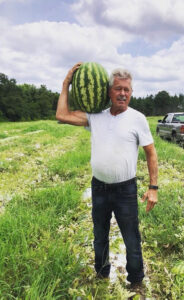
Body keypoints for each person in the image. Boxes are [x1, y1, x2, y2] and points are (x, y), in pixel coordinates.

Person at [56, 62, 158, 288]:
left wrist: (153, 188)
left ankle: (136, 281)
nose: (123, 94)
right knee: (99, 235)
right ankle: (101, 275)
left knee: (132, 239)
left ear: (131, 93)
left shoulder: (137, 118)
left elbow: (151, 153)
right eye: (118, 88)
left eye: (127, 90)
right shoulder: (95, 116)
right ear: (109, 91)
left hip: (126, 190)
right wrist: (66, 84)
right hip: (99, 187)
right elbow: (61, 114)